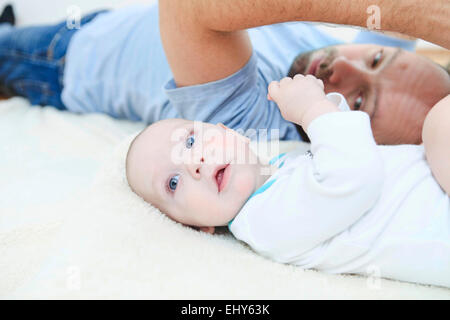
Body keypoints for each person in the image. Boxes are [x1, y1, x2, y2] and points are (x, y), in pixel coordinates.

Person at [125, 74, 450, 287]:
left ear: (227, 132)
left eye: (191, 141)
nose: (192, 164)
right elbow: (353, 176)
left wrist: (325, 107)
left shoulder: (280, 166)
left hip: (436, 181)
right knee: (440, 120)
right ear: (197, 227)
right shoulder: (265, 222)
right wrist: (313, 109)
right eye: (173, 183)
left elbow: (350, 148)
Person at [0, 2, 448, 145]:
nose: (343, 66)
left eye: (356, 102)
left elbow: (191, 7)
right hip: (114, 21)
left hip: (64, 62)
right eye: (376, 60)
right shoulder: (380, 71)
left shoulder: (262, 127)